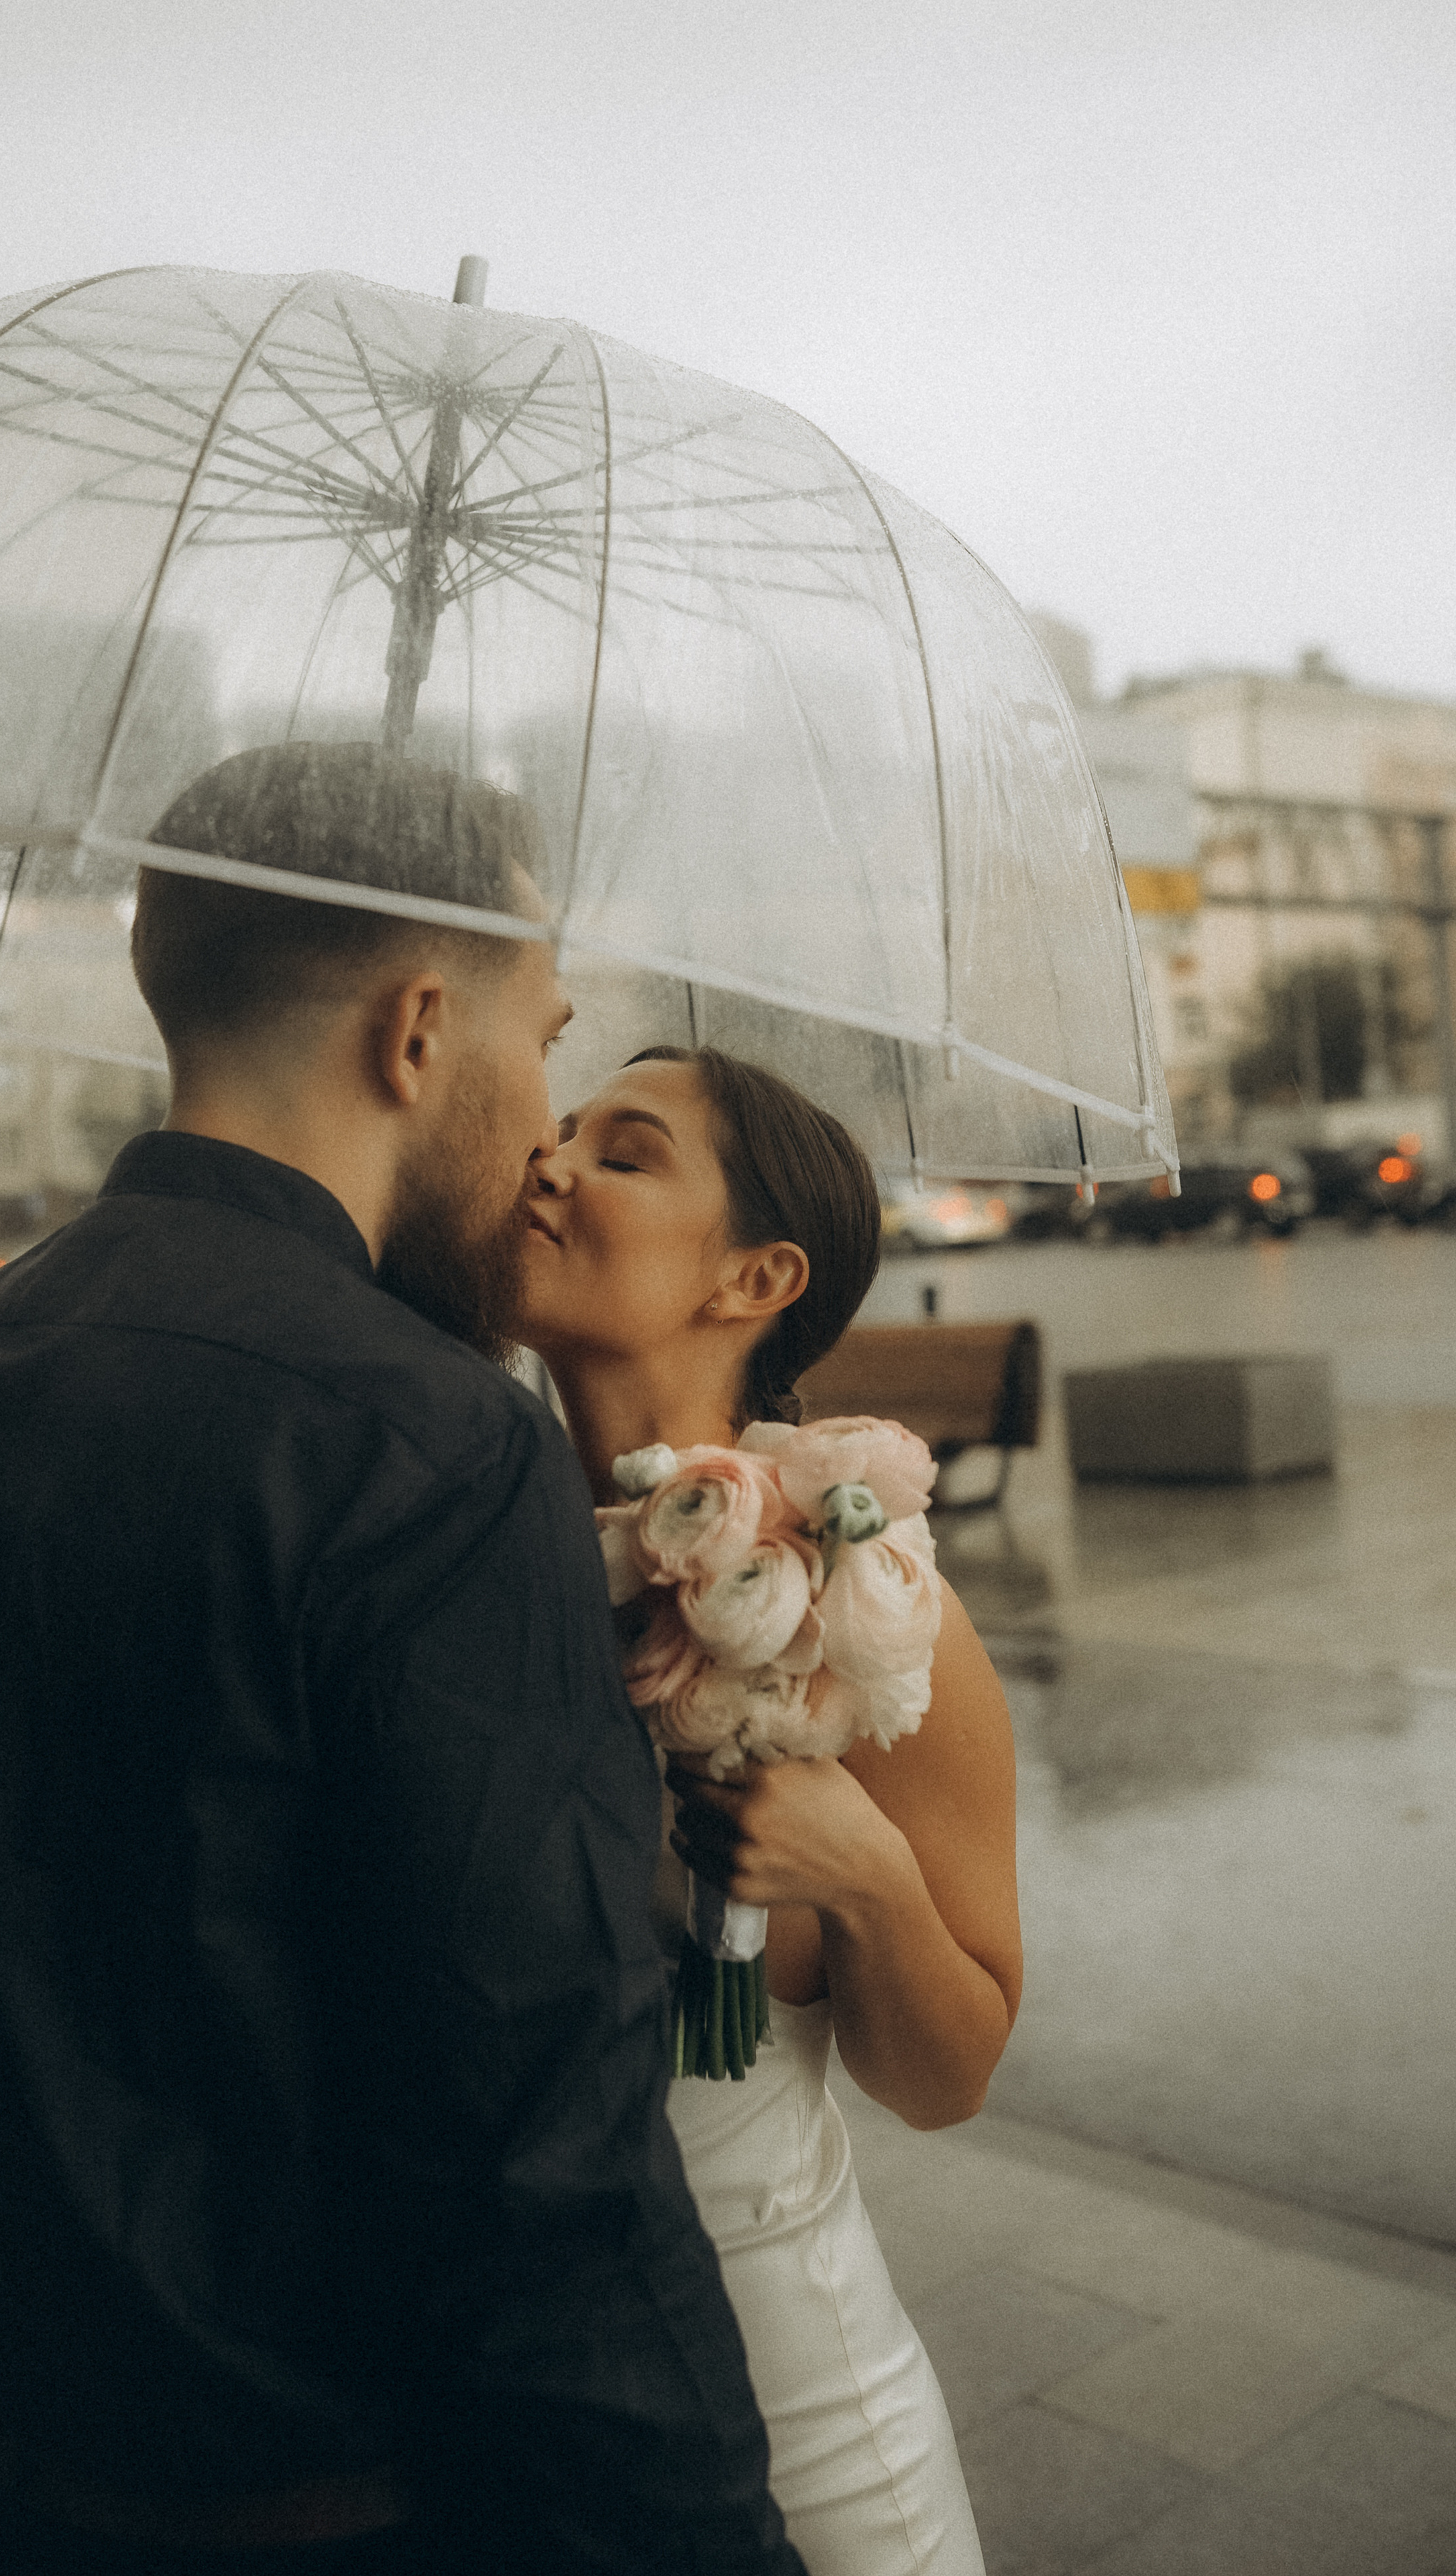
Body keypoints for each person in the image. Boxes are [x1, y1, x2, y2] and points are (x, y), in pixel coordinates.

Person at [0, 745, 807, 2576]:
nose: (542, 1114)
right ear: (416, 1033)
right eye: (537, 1039)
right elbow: (549, 2183)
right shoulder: (434, 1455)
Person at [517, 1044, 1024, 2575]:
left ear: (753, 1276)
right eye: (553, 1131)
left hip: (796, 2420)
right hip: (516, 2437)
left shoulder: (875, 1612)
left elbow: (946, 2080)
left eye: (622, 1150)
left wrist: (864, 1880)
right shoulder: (465, 1548)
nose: (545, 1161)